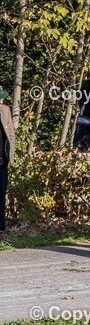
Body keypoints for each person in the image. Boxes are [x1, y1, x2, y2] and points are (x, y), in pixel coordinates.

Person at [0, 90, 13, 231]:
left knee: (1, 193)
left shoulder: (5, 111)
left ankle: (1, 225)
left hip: (3, 160)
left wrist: (10, 155)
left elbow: (11, 135)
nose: (2, 101)